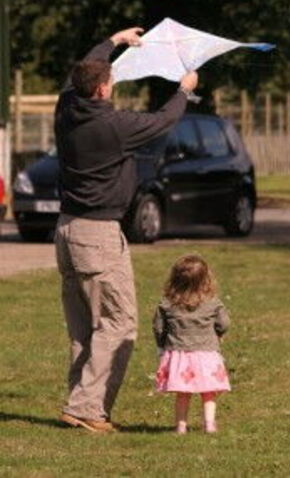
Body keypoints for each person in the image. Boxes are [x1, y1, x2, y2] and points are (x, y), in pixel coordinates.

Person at [55, 26, 198, 433]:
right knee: (119, 324)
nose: (113, 84)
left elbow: (76, 73)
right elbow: (165, 119)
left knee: (85, 328)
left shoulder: (66, 106)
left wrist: (113, 42)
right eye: (110, 80)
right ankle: (87, 408)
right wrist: (184, 90)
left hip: (66, 232)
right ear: (101, 90)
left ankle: (79, 404)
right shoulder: (115, 126)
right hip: (97, 235)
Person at [152, 254, 231, 434]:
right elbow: (224, 323)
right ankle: (209, 424)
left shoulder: (167, 304)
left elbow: (158, 327)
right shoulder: (212, 303)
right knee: (209, 392)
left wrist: (161, 345)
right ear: (206, 279)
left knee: (183, 393)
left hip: (180, 355)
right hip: (207, 355)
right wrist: (218, 333)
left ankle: (181, 426)